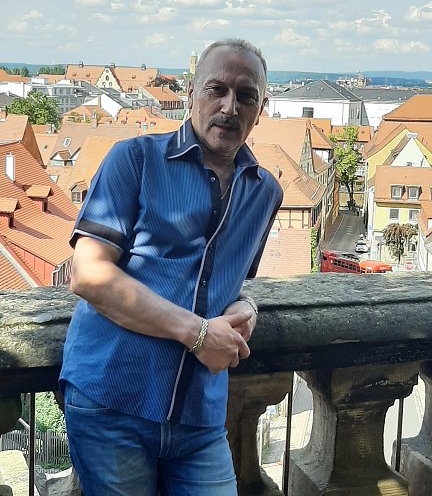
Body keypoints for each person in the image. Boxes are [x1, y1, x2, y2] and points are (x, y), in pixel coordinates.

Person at [60, 38, 283, 496]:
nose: (229, 107)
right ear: (191, 93)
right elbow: (88, 274)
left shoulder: (265, 193)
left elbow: (229, 283)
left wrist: (248, 308)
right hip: (112, 401)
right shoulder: (135, 159)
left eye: (246, 96)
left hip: (199, 414)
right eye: (216, 89)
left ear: (261, 109)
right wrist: (198, 334)